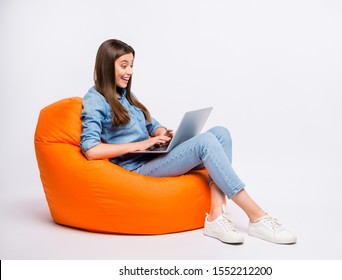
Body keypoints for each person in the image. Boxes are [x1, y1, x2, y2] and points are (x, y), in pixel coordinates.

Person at [80, 39, 297, 245]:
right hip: (136, 168)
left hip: (153, 157)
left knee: (221, 133)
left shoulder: (125, 95)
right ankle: (257, 217)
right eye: (124, 65)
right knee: (206, 142)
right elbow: (91, 149)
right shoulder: (95, 99)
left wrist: (162, 132)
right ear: (107, 65)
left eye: (132, 65)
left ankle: (216, 215)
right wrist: (140, 145)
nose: (130, 72)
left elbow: (151, 123)